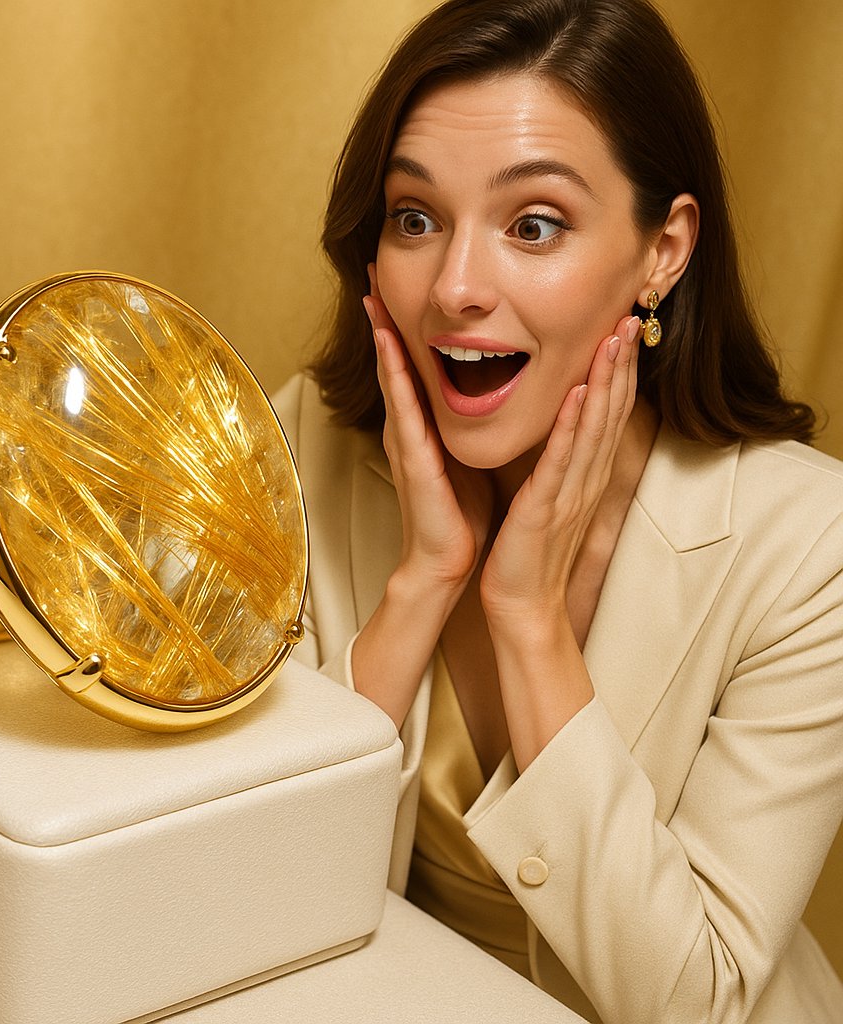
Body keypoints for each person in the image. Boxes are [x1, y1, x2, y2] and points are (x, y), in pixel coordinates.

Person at [274, 0, 843, 1020]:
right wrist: (421, 587)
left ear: (662, 250)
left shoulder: (811, 546)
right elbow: (249, 894)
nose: (453, 287)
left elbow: (699, 1002)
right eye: (415, 217)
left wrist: (529, 622)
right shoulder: (306, 443)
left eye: (532, 224)